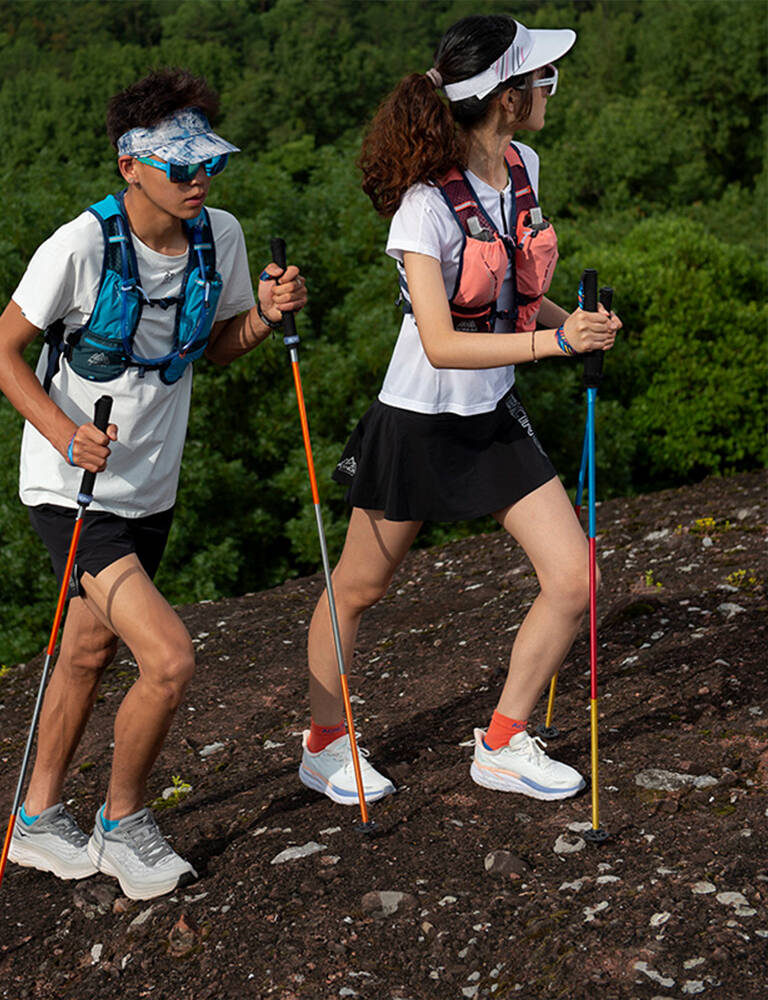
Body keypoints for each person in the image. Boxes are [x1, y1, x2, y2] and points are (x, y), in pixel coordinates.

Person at [0, 68, 306, 899]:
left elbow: (214, 348)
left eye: (210, 164)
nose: (200, 181)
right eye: (181, 166)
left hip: (151, 486)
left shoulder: (220, 236)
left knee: (88, 650)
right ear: (130, 165)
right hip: (71, 489)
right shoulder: (80, 247)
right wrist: (65, 434)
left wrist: (265, 317)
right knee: (169, 659)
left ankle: (36, 819)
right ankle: (122, 825)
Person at [298, 15, 620, 807]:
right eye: (542, 79)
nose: (550, 90)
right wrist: (557, 345)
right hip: (416, 418)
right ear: (508, 98)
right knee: (359, 588)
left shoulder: (523, 166)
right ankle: (324, 744)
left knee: (574, 578)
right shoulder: (423, 207)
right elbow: (440, 343)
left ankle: (503, 743)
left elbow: (515, 293)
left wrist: (573, 325)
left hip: (492, 411)